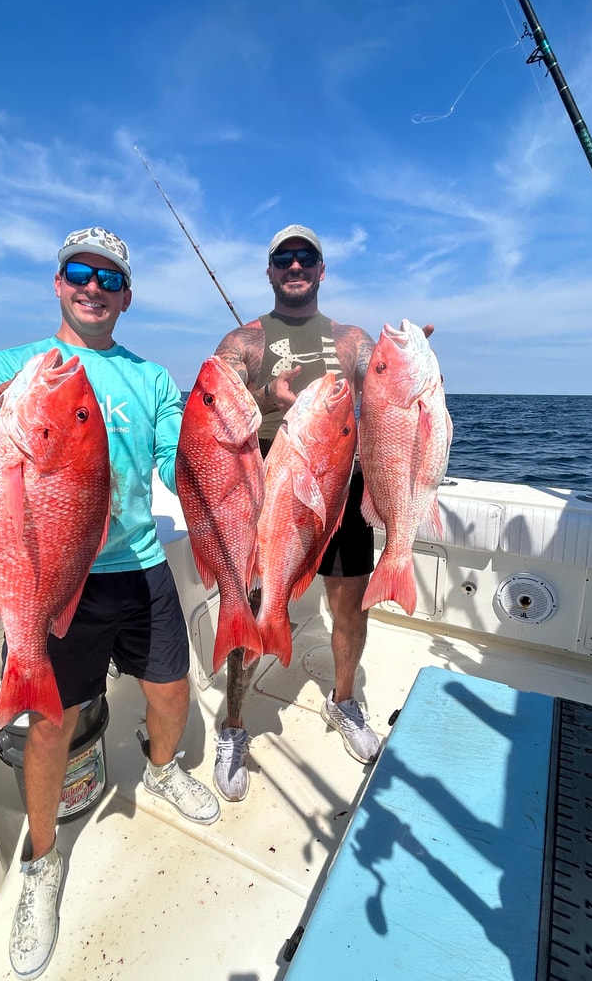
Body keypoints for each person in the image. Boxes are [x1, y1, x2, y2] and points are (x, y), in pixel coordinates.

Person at [0, 226, 220, 980]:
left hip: (138, 568)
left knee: (172, 692)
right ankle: (41, 862)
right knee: (52, 724)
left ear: (127, 296)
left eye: (108, 278)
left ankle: (161, 767)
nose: (92, 286)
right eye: (79, 272)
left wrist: (250, 437)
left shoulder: (150, 379)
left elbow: (186, 466)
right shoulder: (14, 367)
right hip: (51, 577)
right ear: (57, 282)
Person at [211, 223, 422, 803]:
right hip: (269, 488)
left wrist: (415, 367)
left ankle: (345, 700)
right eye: (285, 258)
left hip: (338, 486)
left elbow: (386, 391)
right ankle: (233, 724)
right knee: (252, 603)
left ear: (321, 271)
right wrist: (262, 399)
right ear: (271, 271)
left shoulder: (353, 339)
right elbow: (209, 404)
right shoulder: (244, 342)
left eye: (307, 258)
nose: (296, 266)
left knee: (348, 603)